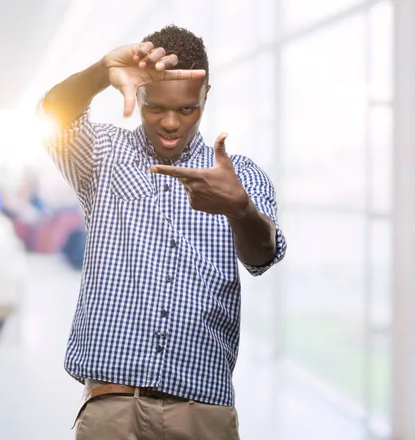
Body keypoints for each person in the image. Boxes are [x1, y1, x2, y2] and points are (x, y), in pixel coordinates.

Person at [38, 24, 287, 440]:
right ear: (139, 96)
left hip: (202, 412)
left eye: (187, 109)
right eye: (155, 107)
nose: (171, 123)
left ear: (206, 97)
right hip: (112, 409)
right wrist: (101, 71)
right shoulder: (101, 155)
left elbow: (262, 255)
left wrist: (239, 208)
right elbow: (52, 113)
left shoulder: (240, 175)